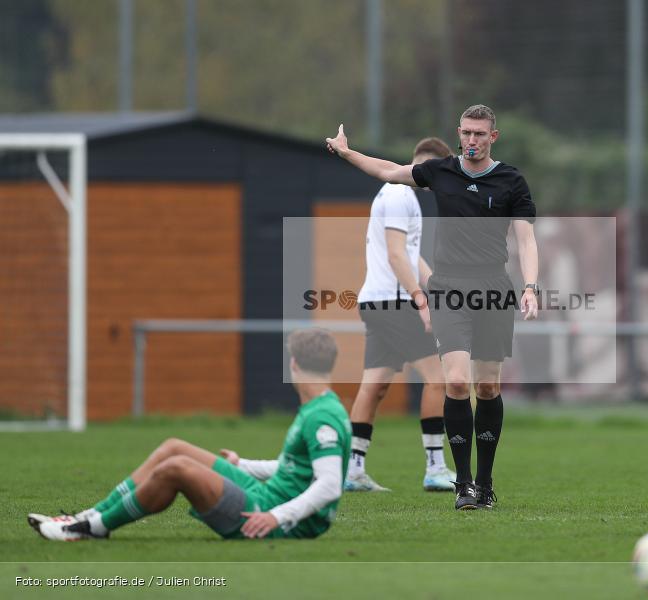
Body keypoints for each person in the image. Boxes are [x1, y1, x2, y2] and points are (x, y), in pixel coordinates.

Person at [326, 104, 539, 510]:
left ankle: (485, 482)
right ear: (459, 133)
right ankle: (462, 486)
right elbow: (388, 171)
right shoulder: (441, 170)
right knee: (456, 383)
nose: (473, 140)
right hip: (449, 289)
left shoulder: (512, 180)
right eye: (467, 133)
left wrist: (530, 286)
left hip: (494, 289)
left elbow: (526, 240)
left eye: (481, 134)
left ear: (494, 137)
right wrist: (346, 152)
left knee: (488, 387)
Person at [29, 329, 352, 540]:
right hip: (269, 497)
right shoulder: (318, 407)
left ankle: (91, 529)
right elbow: (293, 468)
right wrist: (244, 465)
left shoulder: (322, 417)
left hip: (277, 519)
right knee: (174, 448)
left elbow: (329, 484)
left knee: (177, 469)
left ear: (293, 364)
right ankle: (90, 514)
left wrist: (274, 516)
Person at [346, 136, 457, 493]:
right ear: (434, 168)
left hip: (377, 303)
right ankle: (436, 468)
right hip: (394, 304)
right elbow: (396, 256)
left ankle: (353, 469)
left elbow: (409, 255)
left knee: (374, 386)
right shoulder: (399, 194)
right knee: (439, 379)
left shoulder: (400, 194)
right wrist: (421, 302)